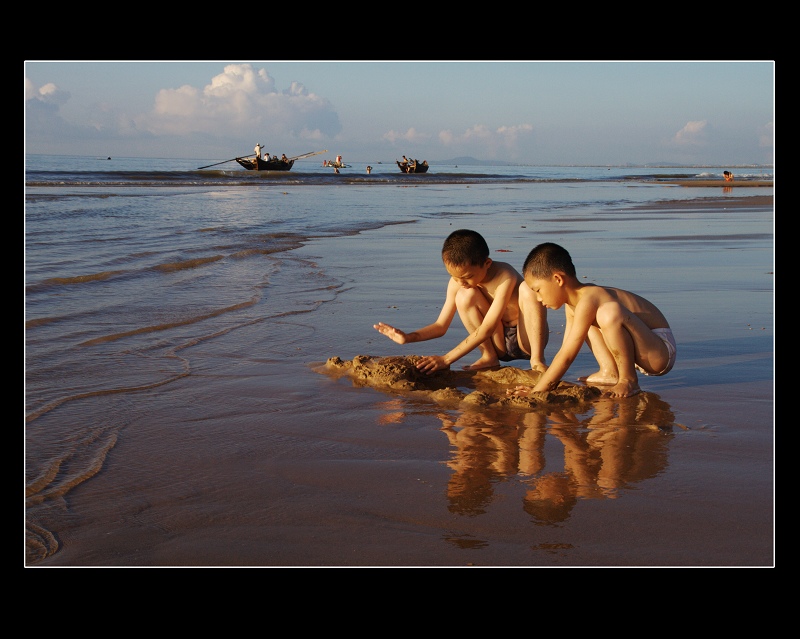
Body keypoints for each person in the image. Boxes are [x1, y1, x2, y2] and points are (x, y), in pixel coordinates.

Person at [512, 242, 675, 398]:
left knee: (609, 312)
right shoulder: (575, 305)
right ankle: (609, 372)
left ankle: (628, 380)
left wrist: (537, 392)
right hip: (640, 348)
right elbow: (565, 348)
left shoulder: (592, 295)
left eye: (538, 290)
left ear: (558, 279)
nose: (539, 299)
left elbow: (568, 356)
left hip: (659, 352)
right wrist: (542, 387)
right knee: (587, 318)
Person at [374, 229, 549, 373]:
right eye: (454, 277)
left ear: (487, 263)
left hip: (526, 339)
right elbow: (441, 326)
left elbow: (487, 328)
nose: (460, 282)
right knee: (465, 296)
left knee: (528, 289)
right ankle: (489, 356)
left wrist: (446, 359)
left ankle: (537, 360)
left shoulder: (505, 276)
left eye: (467, 276)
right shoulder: (458, 282)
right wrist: (407, 337)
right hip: (499, 343)